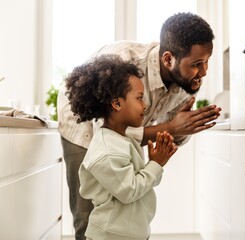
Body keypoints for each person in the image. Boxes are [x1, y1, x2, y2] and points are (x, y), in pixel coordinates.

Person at [57, 12, 221, 239]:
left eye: (206, 61)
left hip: (124, 134)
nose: (203, 72)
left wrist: (183, 127)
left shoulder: (186, 81)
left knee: (126, 211)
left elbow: (167, 132)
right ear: (168, 59)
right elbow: (107, 131)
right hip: (82, 125)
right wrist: (172, 128)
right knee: (88, 214)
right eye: (196, 64)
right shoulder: (126, 66)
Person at [65, 54, 177, 240]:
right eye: (140, 98)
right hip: (111, 235)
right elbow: (129, 191)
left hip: (129, 232)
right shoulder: (107, 150)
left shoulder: (125, 140)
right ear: (117, 103)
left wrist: (156, 163)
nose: (146, 105)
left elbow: (144, 184)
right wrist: (155, 164)